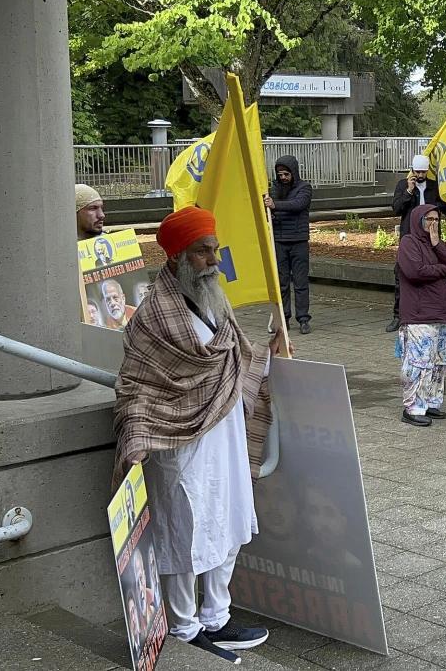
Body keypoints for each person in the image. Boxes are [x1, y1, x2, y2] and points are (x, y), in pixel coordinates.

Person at [113, 206, 275, 663]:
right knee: (185, 531)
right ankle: (185, 628)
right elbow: (138, 383)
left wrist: (271, 349)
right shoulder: (153, 315)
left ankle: (217, 618)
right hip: (179, 442)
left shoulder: (213, 299)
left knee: (229, 518)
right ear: (177, 257)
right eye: (203, 252)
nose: (214, 260)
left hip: (223, 435)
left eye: (215, 249)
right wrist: (141, 432)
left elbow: (236, 353)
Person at [395, 204, 446, 426]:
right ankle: (413, 407)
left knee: (439, 363)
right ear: (418, 220)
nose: (433, 224)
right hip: (419, 316)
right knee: (418, 363)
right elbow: (416, 271)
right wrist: (443, 270)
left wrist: (438, 245)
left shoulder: (436, 245)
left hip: (443, 315)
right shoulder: (408, 243)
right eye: (428, 219)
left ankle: (430, 402)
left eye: (436, 219)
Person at [386, 154, 446, 331]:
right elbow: (396, 208)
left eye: (423, 172)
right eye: (417, 171)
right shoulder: (403, 185)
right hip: (409, 237)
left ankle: (432, 310)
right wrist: (409, 191)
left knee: (431, 272)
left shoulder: (434, 186)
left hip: (431, 239)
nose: (420, 175)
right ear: (412, 170)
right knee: (402, 276)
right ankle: (398, 315)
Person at [265, 155, 313, 334]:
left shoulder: (304, 188)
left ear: (294, 172)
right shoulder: (274, 189)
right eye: (280, 174)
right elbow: (271, 212)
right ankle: (283, 317)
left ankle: (303, 319)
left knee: (300, 282)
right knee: (282, 283)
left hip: (299, 241)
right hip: (279, 241)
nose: (283, 177)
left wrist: (274, 205)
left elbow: (298, 205)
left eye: (286, 174)